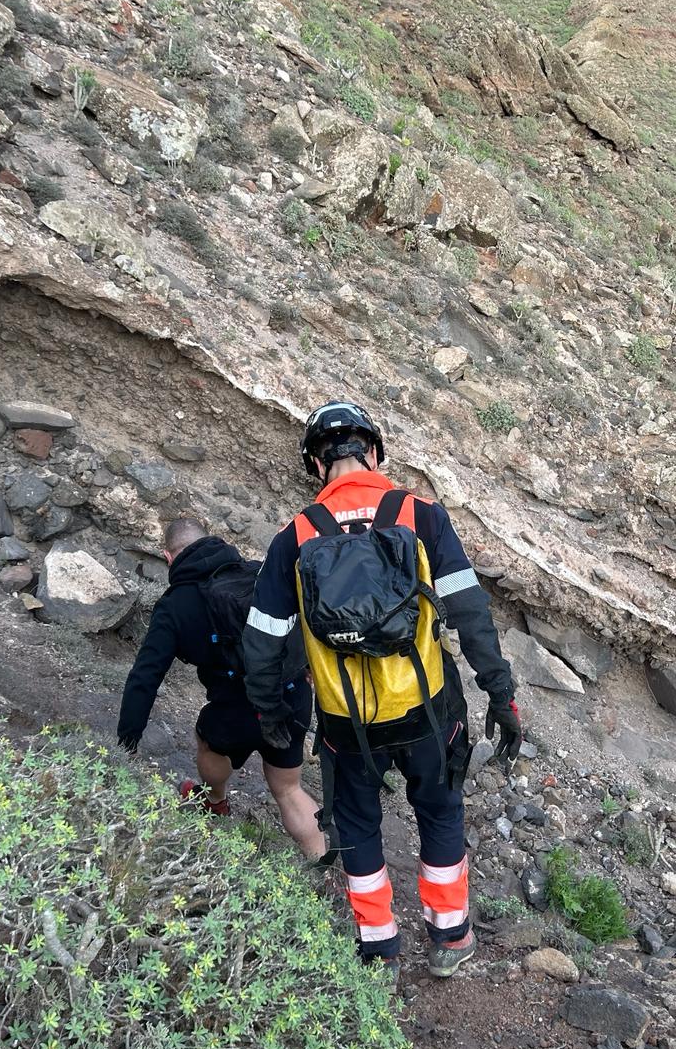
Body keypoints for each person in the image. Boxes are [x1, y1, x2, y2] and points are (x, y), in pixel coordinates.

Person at [243, 401, 521, 979]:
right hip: (426, 709)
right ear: (373, 452)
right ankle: (450, 938)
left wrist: (269, 712)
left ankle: (379, 949)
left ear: (317, 464)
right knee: (441, 814)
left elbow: (264, 640)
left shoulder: (293, 537)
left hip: (347, 722)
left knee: (358, 824)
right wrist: (501, 693)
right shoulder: (420, 516)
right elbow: (470, 612)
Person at [117, 518, 326, 860]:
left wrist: (127, 743)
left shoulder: (174, 606)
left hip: (237, 706)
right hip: (290, 696)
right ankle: (324, 870)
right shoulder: (259, 573)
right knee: (288, 789)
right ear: (213, 541)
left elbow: (145, 676)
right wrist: (309, 668)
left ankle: (215, 800)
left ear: (169, 557)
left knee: (206, 739)